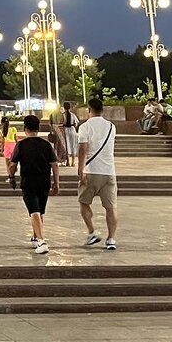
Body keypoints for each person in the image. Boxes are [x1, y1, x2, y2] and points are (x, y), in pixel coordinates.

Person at [7, 114, 60, 255]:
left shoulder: (21, 145)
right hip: (44, 181)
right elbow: (54, 164)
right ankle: (36, 236)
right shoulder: (46, 145)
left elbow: (13, 165)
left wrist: (11, 177)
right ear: (38, 128)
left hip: (28, 181)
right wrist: (56, 183)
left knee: (34, 210)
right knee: (39, 210)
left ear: (25, 128)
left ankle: (42, 241)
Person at [77, 98, 118, 250]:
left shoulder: (85, 127)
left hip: (91, 171)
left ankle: (92, 231)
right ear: (102, 110)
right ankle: (111, 238)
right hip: (109, 172)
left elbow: (83, 149)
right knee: (111, 207)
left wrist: (80, 169)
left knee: (84, 202)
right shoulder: (111, 127)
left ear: (89, 110)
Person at [59, 101, 80, 166]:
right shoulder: (73, 115)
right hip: (72, 129)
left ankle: (68, 161)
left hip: (65, 130)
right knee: (73, 145)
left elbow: (61, 123)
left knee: (66, 145)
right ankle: (73, 162)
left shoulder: (62, 115)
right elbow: (76, 124)